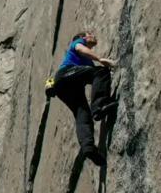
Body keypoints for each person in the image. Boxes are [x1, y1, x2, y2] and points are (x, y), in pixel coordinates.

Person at [48, 31, 117, 166]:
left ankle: (88, 148)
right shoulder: (77, 43)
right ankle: (99, 106)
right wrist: (101, 59)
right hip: (66, 74)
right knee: (101, 72)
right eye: (90, 34)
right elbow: (81, 49)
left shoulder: (87, 63)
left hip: (64, 86)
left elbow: (93, 78)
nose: (94, 36)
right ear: (82, 37)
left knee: (82, 114)